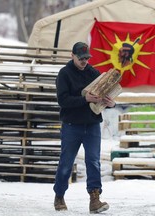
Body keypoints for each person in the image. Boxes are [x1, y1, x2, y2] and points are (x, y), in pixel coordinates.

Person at [53, 42, 115, 214]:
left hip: (92, 124)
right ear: (72, 56)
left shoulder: (94, 73)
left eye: (87, 58)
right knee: (66, 163)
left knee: (93, 162)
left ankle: (94, 199)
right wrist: (85, 99)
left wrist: (110, 103)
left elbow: (104, 95)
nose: (84, 61)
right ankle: (59, 195)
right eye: (81, 58)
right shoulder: (64, 74)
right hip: (72, 125)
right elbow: (63, 101)